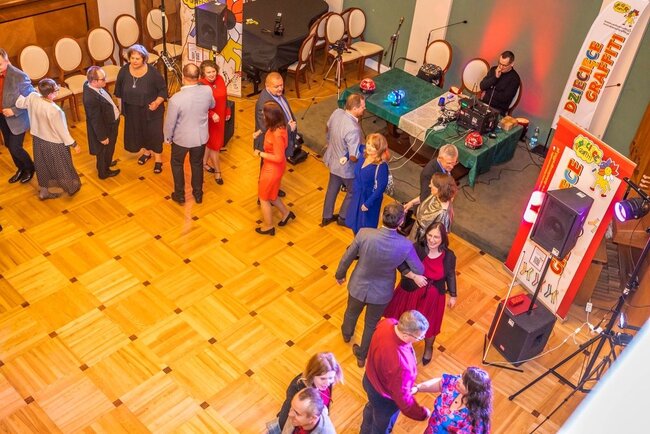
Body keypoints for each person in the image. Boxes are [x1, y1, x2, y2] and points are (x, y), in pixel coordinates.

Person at [336, 202, 425, 368]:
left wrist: (340, 275)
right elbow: (419, 269)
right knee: (371, 324)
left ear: (382, 217)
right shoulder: (405, 245)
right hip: (382, 293)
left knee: (351, 312)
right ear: (401, 222)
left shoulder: (364, 234)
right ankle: (362, 356)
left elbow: (347, 257)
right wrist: (401, 263)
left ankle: (346, 334)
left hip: (358, 285)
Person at [384, 222, 457, 365]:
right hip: (411, 292)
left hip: (433, 298)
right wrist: (414, 276)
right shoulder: (417, 247)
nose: (432, 240)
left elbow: (450, 275)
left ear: (443, 238)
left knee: (431, 325)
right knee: (402, 320)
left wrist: (453, 295)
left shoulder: (449, 256)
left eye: (436, 237)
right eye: (430, 235)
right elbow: (401, 263)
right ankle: (395, 344)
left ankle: (428, 348)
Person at [361, 310, 431, 433]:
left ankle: (364, 430)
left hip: (369, 380)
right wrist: (422, 414)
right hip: (384, 398)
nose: (422, 338)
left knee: (371, 407)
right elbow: (403, 400)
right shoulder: (402, 365)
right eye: (420, 337)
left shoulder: (387, 323)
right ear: (405, 335)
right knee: (381, 426)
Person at [16, 78, 81, 199]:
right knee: (62, 166)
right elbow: (62, 132)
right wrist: (74, 144)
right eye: (56, 90)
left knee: (42, 166)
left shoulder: (33, 97)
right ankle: (71, 187)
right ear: (51, 94)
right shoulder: (55, 110)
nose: (57, 91)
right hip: (54, 143)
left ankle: (44, 191)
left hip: (38, 140)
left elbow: (20, 103)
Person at [163, 63, 214, 205]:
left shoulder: (176, 99)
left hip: (181, 139)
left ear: (183, 77)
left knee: (177, 164)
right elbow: (212, 105)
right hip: (200, 137)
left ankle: (180, 195)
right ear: (199, 77)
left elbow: (170, 123)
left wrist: (167, 137)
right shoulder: (207, 90)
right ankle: (198, 194)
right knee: (197, 164)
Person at [114, 44, 167, 173]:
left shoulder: (153, 73)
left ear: (144, 59)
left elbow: (163, 90)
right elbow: (118, 92)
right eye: (132, 58)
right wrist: (120, 110)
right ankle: (146, 152)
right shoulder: (124, 71)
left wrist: (157, 102)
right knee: (139, 132)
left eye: (137, 58)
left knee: (154, 134)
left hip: (151, 110)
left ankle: (158, 159)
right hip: (133, 110)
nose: (134, 61)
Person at [321, 93, 366, 227]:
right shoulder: (353, 129)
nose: (364, 108)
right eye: (362, 107)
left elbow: (327, 127)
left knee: (332, 188)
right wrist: (364, 161)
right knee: (353, 191)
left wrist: (329, 141)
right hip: (346, 168)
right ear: (355, 108)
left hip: (332, 160)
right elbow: (353, 156)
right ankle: (343, 217)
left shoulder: (337, 112)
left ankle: (326, 216)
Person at [253, 101, 295, 235]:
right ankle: (286, 213)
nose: (262, 115)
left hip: (272, 169)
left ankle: (269, 226)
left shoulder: (277, 134)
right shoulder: (280, 126)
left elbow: (278, 157)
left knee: (263, 198)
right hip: (274, 168)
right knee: (272, 195)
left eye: (264, 114)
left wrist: (260, 153)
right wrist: (259, 132)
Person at [413, 367, 492, 434]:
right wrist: (418, 388)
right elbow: (440, 383)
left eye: (463, 382)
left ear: (472, 393)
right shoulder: (455, 383)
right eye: (462, 377)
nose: (459, 380)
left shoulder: (475, 420)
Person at [277, 352, 343, 430]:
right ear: (312, 374)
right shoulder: (297, 389)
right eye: (322, 378)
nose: (327, 383)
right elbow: (286, 416)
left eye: (330, 378)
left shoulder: (325, 384)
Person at [0, 47, 35, 184]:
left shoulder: (19, 76)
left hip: (17, 118)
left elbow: (31, 98)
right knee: (9, 144)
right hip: (2, 117)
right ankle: (20, 168)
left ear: (7, 61)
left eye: (0, 64)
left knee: (15, 146)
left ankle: (30, 168)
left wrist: (14, 110)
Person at [345, 133, 389, 234]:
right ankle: (357, 241)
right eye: (368, 143)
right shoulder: (364, 153)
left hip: (368, 199)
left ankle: (362, 243)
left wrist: (368, 203)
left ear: (379, 149)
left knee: (365, 229)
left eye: (373, 146)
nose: (368, 147)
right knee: (354, 224)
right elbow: (355, 147)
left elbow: (380, 188)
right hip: (357, 195)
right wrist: (346, 156)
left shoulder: (381, 166)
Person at [82, 66, 120, 179]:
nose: (105, 80)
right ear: (94, 81)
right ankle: (104, 172)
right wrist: (102, 137)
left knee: (109, 149)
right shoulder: (90, 98)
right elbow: (96, 120)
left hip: (110, 123)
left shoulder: (92, 86)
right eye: (103, 79)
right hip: (105, 128)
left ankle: (107, 163)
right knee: (104, 150)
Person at [255, 72, 298, 164]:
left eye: (281, 85)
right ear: (267, 86)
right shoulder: (264, 104)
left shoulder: (275, 94)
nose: (280, 89)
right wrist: (289, 128)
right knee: (268, 168)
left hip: (282, 140)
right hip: (271, 146)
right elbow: (267, 128)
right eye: (276, 87)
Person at [199, 59, 230, 185]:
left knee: (210, 143)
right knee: (215, 146)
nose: (212, 74)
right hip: (210, 120)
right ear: (203, 73)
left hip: (220, 118)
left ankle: (203, 163)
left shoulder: (220, 79)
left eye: (213, 71)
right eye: (208, 72)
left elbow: (225, 96)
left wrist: (227, 110)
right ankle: (218, 172)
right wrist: (211, 114)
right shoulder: (201, 85)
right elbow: (200, 105)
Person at [404, 173, 458, 242]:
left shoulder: (443, 213)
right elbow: (424, 198)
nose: (429, 186)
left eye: (432, 185)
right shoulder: (437, 195)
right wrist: (411, 203)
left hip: (423, 239)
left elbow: (438, 236)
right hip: (416, 230)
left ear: (439, 189)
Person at [479, 50, 521, 115]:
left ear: (512, 64)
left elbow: (504, 98)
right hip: (483, 104)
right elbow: (482, 86)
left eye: (504, 65)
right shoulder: (494, 69)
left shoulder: (515, 79)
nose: (501, 67)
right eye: (499, 63)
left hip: (497, 110)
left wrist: (487, 91)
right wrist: (495, 77)